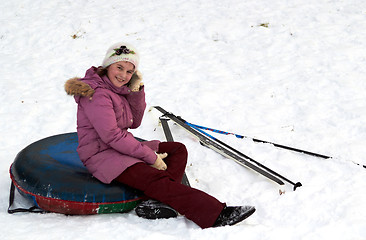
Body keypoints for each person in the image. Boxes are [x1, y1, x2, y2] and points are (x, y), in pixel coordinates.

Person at [65, 42, 255, 229]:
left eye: (129, 71)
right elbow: (112, 136)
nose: (123, 75)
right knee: (155, 178)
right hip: (102, 156)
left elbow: (135, 122)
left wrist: (136, 92)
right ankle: (215, 214)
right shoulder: (97, 94)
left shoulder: (116, 90)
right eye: (119, 67)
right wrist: (150, 157)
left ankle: (160, 202)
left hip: (119, 149)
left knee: (176, 150)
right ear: (107, 66)